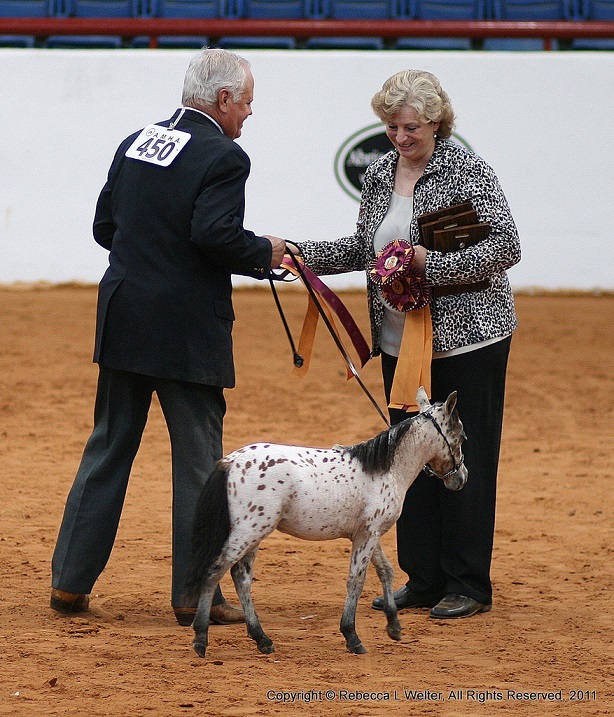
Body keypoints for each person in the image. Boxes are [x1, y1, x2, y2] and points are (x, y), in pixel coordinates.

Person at [50, 48, 286, 627]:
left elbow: (106, 226)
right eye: (248, 100)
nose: (251, 113)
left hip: (125, 315)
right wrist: (266, 253)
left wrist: (150, 262)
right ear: (223, 99)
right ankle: (194, 595)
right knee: (200, 466)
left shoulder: (136, 140)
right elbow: (214, 234)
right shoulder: (225, 157)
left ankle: (69, 584)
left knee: (107, 448)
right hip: (187, 331)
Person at [295, 69, 520, 619]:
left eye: (411, 126)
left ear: (437, 121)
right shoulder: (377, 174)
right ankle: (421, 578)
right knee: (406, 462)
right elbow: (361, 248)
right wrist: (298, 256)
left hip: (469, 340)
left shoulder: (465, 170)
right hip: (400, 343)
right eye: (392, 126)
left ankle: (466, 582)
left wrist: (429, 264)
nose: (401, 137)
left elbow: (506, 247)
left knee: (466, 456)